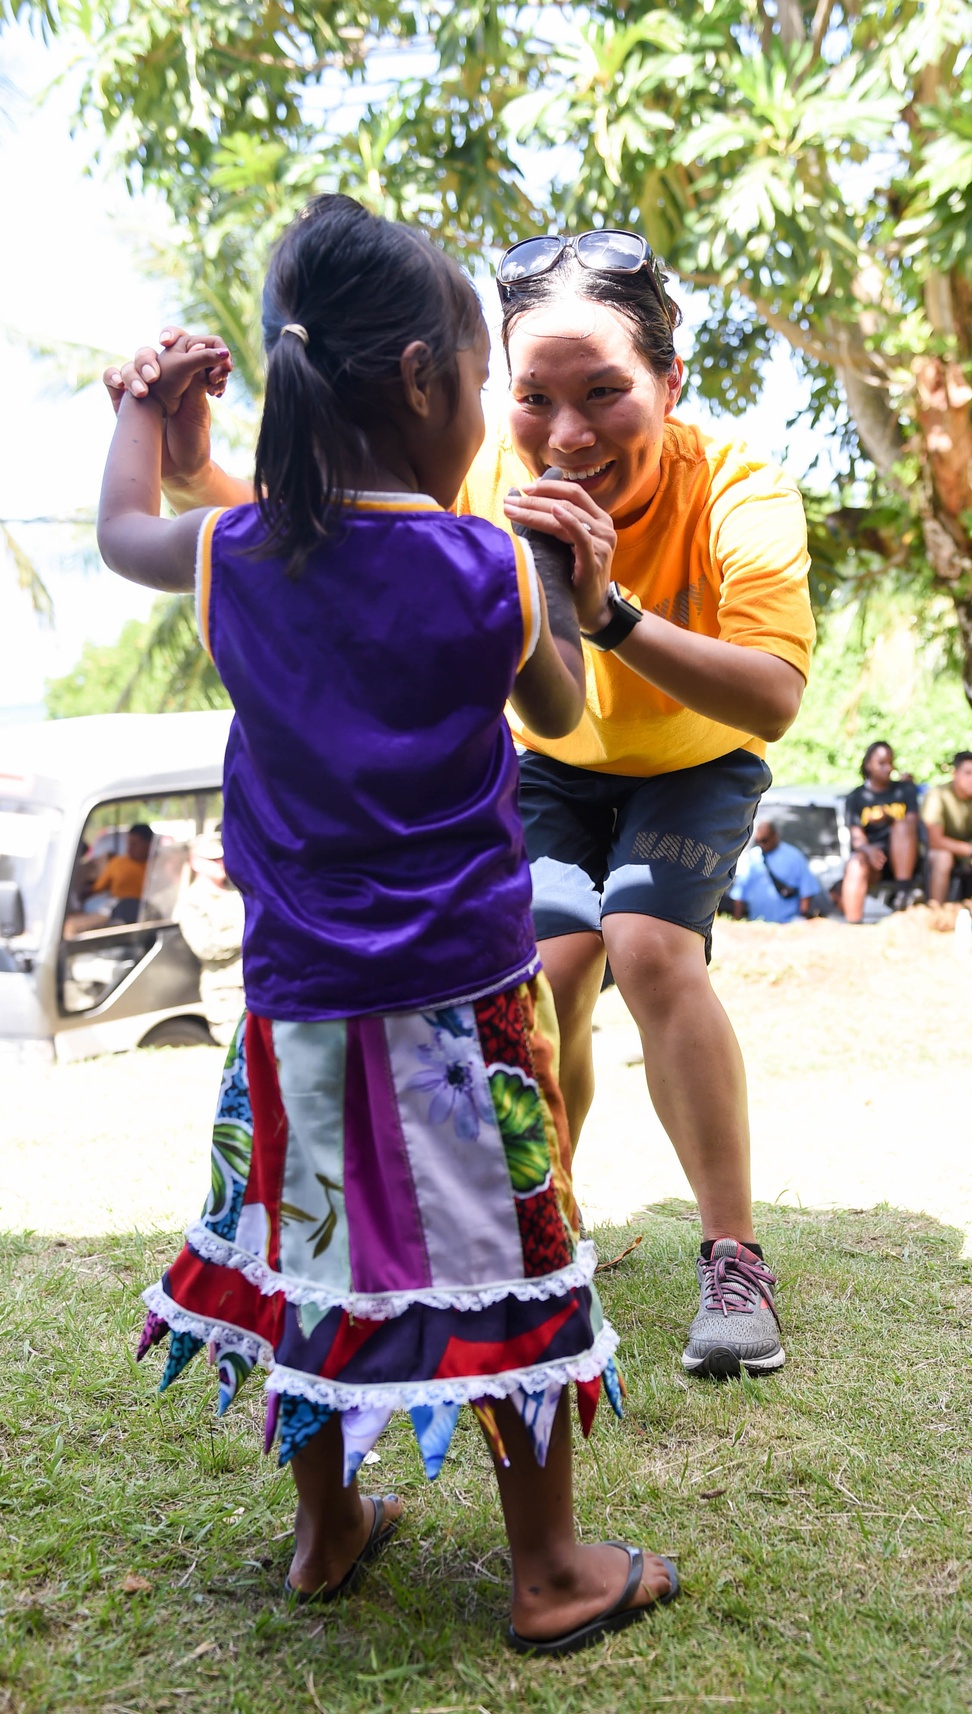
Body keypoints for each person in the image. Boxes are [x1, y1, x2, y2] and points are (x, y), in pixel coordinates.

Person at [97, 196, 677, 1652]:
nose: (492, 413)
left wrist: (139, 412)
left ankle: (326, 1525)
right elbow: (554, 713)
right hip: (463, 1001)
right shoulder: (484, 563)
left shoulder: (238, 549)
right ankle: (548, 1567)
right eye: (486, 384)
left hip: (295, 997)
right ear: (426, 382)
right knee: (514, 1250)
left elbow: (121, 533)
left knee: (307, 1251)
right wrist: (570, 583)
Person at [107, 227, 814, 1382]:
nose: (566, 433)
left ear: (669, 385)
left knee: (644, 947)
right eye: (530, 396)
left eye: (604, 395)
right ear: (483, 390)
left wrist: (614, 613)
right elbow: (333, 540)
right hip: (549, 757)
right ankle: (549, 1235)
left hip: (694, 755)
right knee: (551, 964)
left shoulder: (741, 489)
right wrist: (193, 460)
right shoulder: (480, 474)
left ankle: (732, 1255)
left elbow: (774, 698)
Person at [176, 829, 245, 1044]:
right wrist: (248, 932)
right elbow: (205, 946)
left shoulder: (237, 889)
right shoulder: (193, 900)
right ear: (195, 862)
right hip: (227, 990)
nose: (220, 863)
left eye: (222, 858)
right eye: (212, 860)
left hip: (254, 980)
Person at [842, 743, 919, 921]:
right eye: (882, 763)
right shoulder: (856, 798)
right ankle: (853, 924)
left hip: (905, 857)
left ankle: (903, 895)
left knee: (901, 826)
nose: (888, 768)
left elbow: (912, 824)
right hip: (874, 859)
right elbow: (857, 837)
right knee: (856, 863)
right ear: (868, 764)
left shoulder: (904, 790)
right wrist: (868, 850)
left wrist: (889, 818)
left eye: (890, 763)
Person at [922, 751, 972, 903]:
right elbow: (935, 840)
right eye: (968, 773)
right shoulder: (937, 795)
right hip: (940, 848)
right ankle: (937, 911)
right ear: (955, 774)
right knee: (942, 858)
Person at [64, 823, 154, 935]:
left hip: (147, 912)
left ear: (149, 845)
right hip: (117, 909)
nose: (130, 848)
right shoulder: (118, 863)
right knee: (71, 927)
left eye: (135, 844)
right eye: (129, 843)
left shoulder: (158, 865)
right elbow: (97, 887)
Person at [728, 820, 819, 924]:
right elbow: (740, 893)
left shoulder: (794, 857)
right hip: (757, 924)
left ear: (775, 836)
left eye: (765, 840)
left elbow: (807, 890)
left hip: (787, 925)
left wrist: (802, 918)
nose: (762, 844)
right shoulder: (752, 857)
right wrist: (737, 921)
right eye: (758, 841)